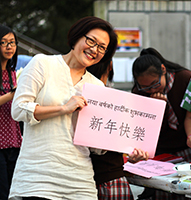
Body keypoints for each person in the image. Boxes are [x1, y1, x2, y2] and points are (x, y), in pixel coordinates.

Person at [9, 16, 118, 200]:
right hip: (38, 179)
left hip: (80, 182)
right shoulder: (42, 63)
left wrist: (129, 148)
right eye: (91, 40)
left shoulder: (97, 86)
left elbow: (96, 148)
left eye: (102, 47)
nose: (94, 49)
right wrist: (63, 109)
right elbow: (18, 109)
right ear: (76, 37)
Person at [131, 47, 191, 200]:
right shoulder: (139, 93)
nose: (150, 89)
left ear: (163, 70)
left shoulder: (185, 79)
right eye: (145, 86)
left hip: (188, 148)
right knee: (163, 193)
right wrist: (156, 110)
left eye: (155, 84)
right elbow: (147, 132)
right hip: (160, 152)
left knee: (189, 192)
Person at [87, 59, 149, 200]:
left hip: (79, 182)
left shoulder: (71, 95)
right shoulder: (112, 99)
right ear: (109, 66)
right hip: (110, 181)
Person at [0, 24, 22, 200]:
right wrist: (12, 95)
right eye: (4, 42)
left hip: (14, 140)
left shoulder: (14, 73)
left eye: (12, 42)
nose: (9, 47)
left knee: (14, 191)